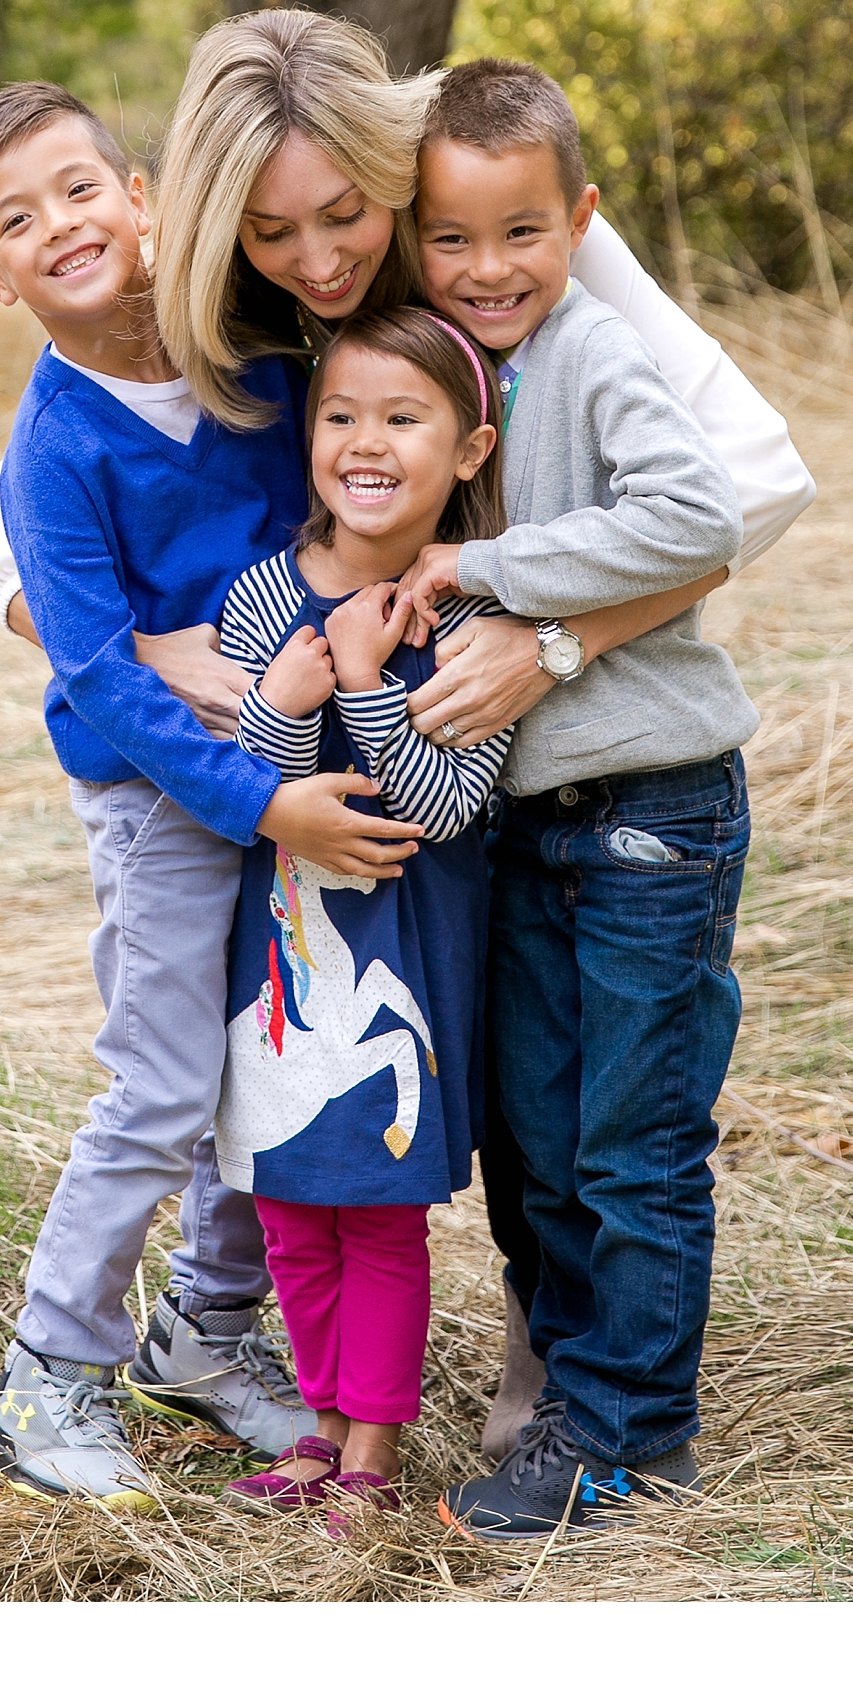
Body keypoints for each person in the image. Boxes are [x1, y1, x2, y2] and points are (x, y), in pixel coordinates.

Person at [0, 8, 816, 1452]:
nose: (323, 262)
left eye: (351, 216)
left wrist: (553, 642)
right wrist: (172, 658)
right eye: (279, 234)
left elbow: (759, 480)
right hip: (327, 737)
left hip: (539, 735)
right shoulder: (213, 281)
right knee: (295, 1049)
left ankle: (566, 1380)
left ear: (397, 170)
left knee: (519, 1072)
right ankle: (179, 1342)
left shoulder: (504, 220)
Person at [0, 76, 415, 1509]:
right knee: (158, 1082)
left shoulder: (254, 363)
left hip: (298, 769)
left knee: (268, 1063)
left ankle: (205, 1331)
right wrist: (264, 806)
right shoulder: (56, 452)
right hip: (162, 802)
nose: (62, 226)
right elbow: (101, 679)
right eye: (18, 220)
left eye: (81, 187)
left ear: (145, 196)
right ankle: (47, 1373)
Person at [398, 60, 756, 1544]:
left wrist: (492, 571)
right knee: (531, 1134)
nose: (489, 271)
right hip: (533, 822)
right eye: (456, 238)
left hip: (650, 814)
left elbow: (700, 517)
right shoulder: (459, 369)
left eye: (523, 233)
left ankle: (629, 1431)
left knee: (631, 1133)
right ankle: (571, 1390)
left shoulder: (599, 354)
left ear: (581, 220)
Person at [210, 306, 517, 1529]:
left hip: (412, 951)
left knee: (377, 1213)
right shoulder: (259, 595)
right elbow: (243, 791)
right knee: (287, 1202)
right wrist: (289, 694)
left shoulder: (475, 611)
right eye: (339, 414)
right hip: (278, 948)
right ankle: (318, 1420)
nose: (364, 440)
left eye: (402, 416)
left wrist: (356, 681)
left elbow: (442, 807)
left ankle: (373, 1449)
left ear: (468, 450)